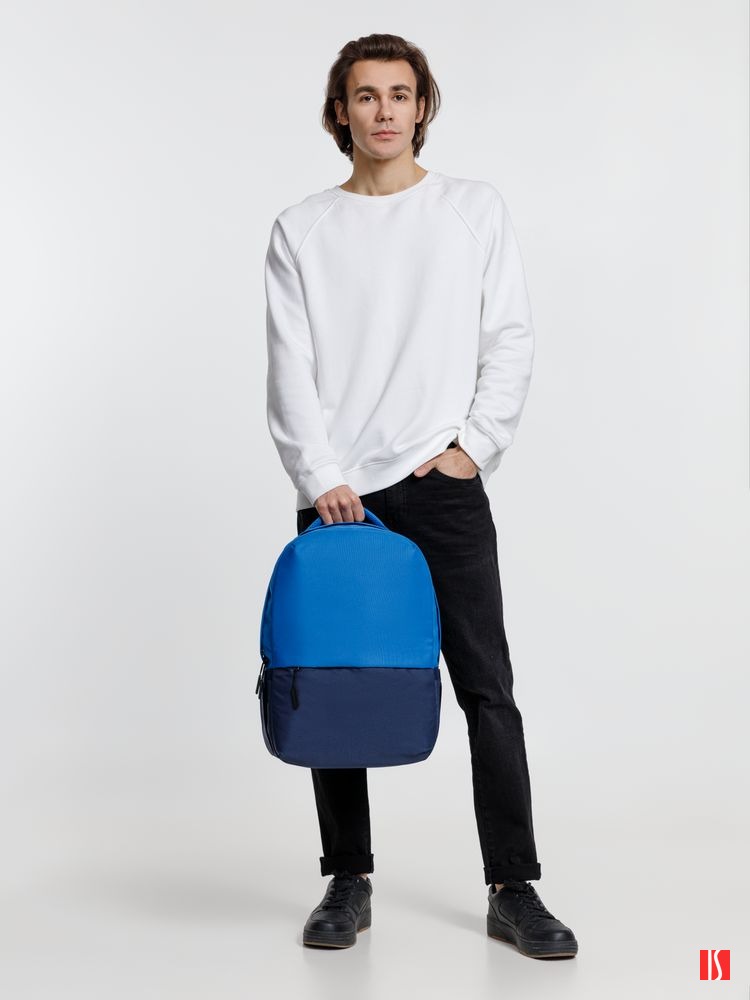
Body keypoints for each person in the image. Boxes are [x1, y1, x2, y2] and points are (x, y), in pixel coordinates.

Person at [263, 32, 578, 958]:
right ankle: (347, 879)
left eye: (400, 94)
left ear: (423, 106)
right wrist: (321, 476)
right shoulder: (301, 228)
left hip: (440, 488)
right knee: (333, 685)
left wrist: (473, 448)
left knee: (488, 688)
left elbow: (509, 335)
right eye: (366, 96)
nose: (385, 111)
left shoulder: (471, 209)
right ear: (341, 112)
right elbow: (289, 365)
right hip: (340, 497)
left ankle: (513, 886)